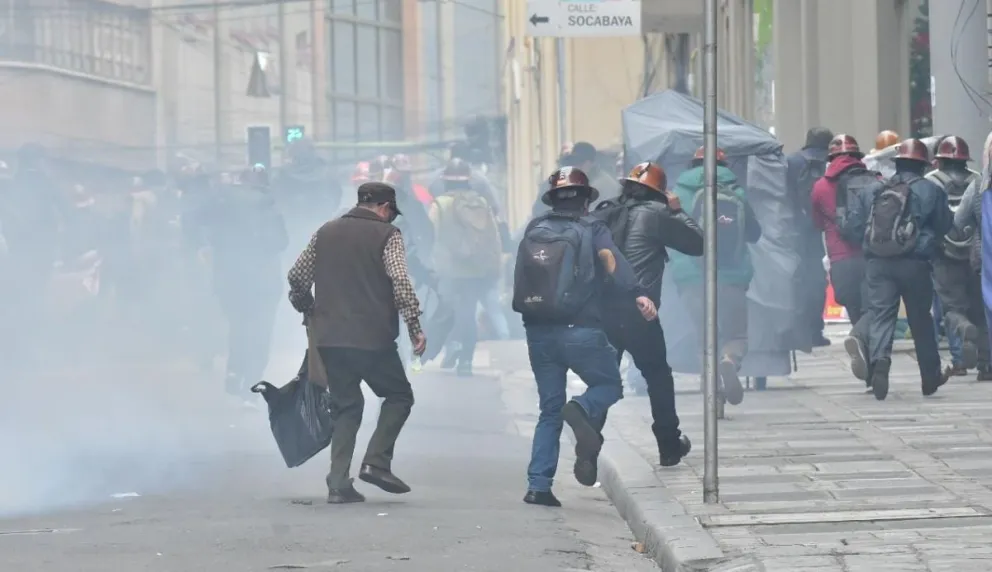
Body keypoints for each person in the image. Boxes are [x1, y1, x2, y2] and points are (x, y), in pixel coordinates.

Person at [513, 166, 656, 507]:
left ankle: (538, 486)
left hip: (538, 332)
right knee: (608, 386)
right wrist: (638, 292)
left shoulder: (536, 229)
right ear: (584, 200)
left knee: (549, 409)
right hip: (581, 330)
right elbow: (612, 263)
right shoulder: (592, 228)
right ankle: (580, 407)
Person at [287, 181, 426, 503]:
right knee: (398, 395)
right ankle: (376, 462)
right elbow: (400, 281)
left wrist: (306, 306)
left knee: (347, 406)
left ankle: (338, 483)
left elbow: (297, 276)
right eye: (390, 213)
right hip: (372, 337)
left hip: (331, 338)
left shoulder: (326, 232)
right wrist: (414, 325)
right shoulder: (388, 236)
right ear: (383, 207)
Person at [595, 162, 701, 466]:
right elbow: (699, 244)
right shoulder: (657, 214)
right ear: (658, 192)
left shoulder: (606, 212)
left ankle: (590, 439)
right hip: (640, 311)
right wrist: (678, 210)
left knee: (603, 378)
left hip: (603, 310)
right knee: (657, 376)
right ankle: (669, 446)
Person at [845, 138, 954, 400]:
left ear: (898, 163)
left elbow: (854, 226)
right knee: (920, 320)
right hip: (915, 263)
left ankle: (881, 362)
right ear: (923, 165)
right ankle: (930, 377)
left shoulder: (875, 189)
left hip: (878, 263)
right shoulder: (931, 190)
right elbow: (943, 225)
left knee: (882, 315)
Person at [669, 147, 761, 406]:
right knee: (736, 334)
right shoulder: (736, 192)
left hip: (692, 278)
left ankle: (712, 389)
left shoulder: (678, 193)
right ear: (725, 165)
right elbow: (754, 233)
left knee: (704, 337)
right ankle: (729, 360)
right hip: (732, 275)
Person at [188, 164, 289, 400]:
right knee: (261, 329)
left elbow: (193, 220)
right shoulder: (271, 206)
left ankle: (234, 370)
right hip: (264, 279)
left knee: (238, 325)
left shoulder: (221, 204)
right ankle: (251, 382)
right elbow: (281, 242)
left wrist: (207, 246)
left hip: (229, 276)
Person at [811, 134, 879, 385]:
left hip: (840, 258)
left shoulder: (820, 186)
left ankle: (868, 366)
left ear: (831, 159)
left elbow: (816, 223)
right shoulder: (876, 181)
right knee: (874, 310)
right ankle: (867, 351)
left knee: (855, 309)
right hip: (872, 255)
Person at [430, 158, 503, 376]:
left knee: (447, 312)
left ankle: (450, 347)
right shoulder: (482, 202)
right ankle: (466, 360)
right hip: (476, 270)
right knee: (468, 313)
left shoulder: (439, 204)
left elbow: (429, 236)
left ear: (445, 181)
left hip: (449, 270)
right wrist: (494, 267)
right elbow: (494, 238)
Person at [926, 135, 988, 379]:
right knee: (980, 310)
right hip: (976, 256)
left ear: (939, 160)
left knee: (952, 308)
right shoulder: (977, 180)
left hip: (943, 256)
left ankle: (962, 334)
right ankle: (985, 364)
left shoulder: (931, 182)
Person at [787, 127, 834, 349]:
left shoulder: (792, 161)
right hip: (818, 229)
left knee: (796, 281)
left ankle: (798, 332)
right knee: (816, 281)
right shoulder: (829, 162)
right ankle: (815, 331)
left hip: (794, 231)